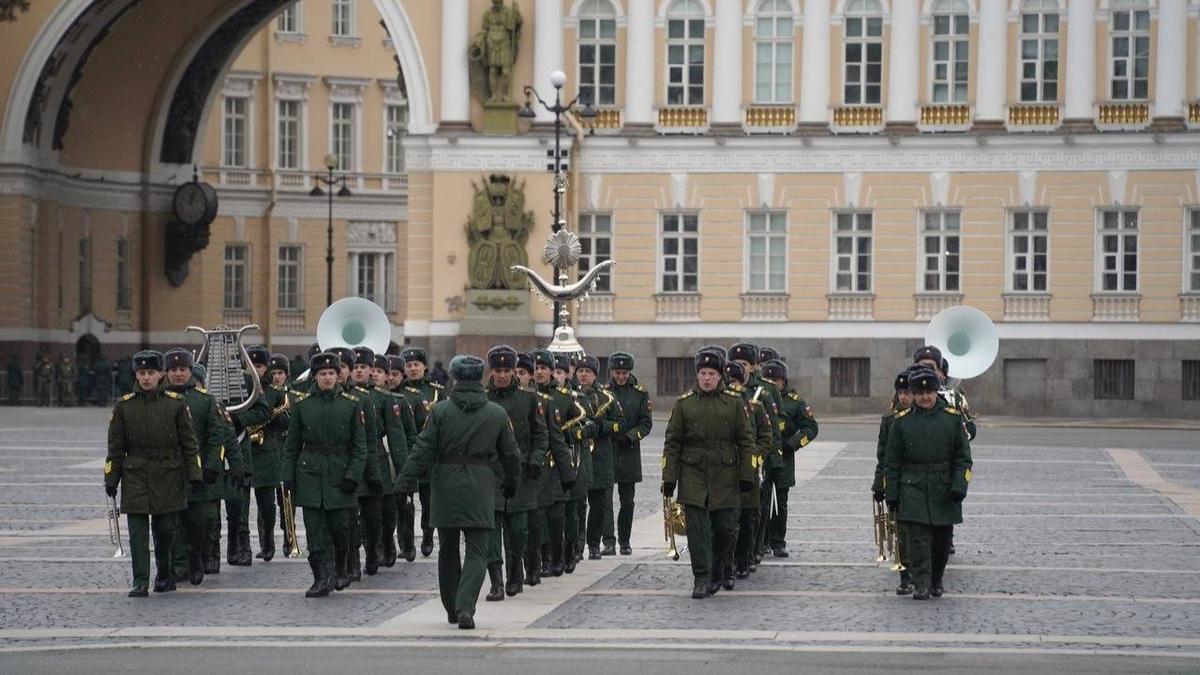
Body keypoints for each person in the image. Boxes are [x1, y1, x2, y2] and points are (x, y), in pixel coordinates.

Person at [395, 355, 521, 629]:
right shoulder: (496, 413)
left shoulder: (440, 411)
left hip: (446, 485)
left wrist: (404, 481)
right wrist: (512, 484)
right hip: (481, 486)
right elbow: (511, 455)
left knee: (448, 549)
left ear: (454, 378)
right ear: (480, 377)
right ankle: (466, 606)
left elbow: (422, 449)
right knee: (477, 550)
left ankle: (452, 607)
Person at [104, 350, 201, 596]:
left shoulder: (175, 404)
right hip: (135, 474)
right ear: (136, 375)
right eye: (141, 373)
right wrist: (111, 477)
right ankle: (140, 581)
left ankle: (165, 575)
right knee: (137, 533)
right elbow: (115, 448)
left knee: (165, 530)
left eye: (150, 373)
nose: (146, 378)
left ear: (160, 375)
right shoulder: (124, 406)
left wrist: (194, 474)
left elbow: (189, 444)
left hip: (167, 474)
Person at [662, 349, 755, 599]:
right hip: (693, 474)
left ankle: (720, 568)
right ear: (697, 375)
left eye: (711, 374)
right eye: (702, 373)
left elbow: (746, 441)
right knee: (698, 531)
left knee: (725, 529)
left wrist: (747, 475)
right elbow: (672, 443)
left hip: (725, 474)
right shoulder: (684, 404)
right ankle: (701, 578)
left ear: (720, 375)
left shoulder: (734, 403)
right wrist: (669, 477)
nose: (706, 378)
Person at [282, 351, 368, 597]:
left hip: (340, 475)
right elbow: (291, 446)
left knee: (341, 529)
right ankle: (321, 577)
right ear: (315, 377)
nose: (328, 378)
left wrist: (353, 475)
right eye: (323, 374)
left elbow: (360, 447)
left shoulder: (351, 404)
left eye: (331, 373)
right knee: (315, 531)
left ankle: (341, 568)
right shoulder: (303, 406)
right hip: (310, 475)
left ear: (338, 375)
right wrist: (287, 475)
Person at [883, 367, 972, 600]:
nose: (925, 397)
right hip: (912, 487)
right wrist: (892, 492)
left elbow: (964, 460)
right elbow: (892, 462)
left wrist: (959, 486)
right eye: (920, 393)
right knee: (918, 539)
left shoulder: (952, 419)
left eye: (929, 392)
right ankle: (921, 583)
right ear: (913, 394)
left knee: (942, 540)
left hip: (944, 487)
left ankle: (936, 579)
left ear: (936, 392)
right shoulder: (901, 422)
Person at [161, 348, 239, 585]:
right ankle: (179, 565)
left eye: (182, 369)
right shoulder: (159, 399)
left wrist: (213, 465)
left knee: (199, 521)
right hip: (169, 471)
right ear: (166, 372)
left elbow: (217, 436)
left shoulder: (205, 401)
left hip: (199, 470)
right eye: (173, 370)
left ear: (190, 371)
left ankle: (196, 557)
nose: (178, 374)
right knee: (172, 522)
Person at [484, 345, 549, 599]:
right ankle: (496, 582)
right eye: (498, 370)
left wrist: (535, 460)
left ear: (514, 371)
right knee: (491, 531)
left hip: (521, 474)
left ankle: (514, 575)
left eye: (507, 370)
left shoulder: (529, 398)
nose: (502, 375)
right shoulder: (483, 399)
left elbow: (540, 434)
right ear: (491, 371)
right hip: (490, 474)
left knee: (519, 530)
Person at [760, 358, 818, 558]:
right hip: (761, 457)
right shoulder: (757, 397)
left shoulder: (794, 402)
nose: (771, 384)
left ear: (783, 381)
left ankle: (777, 542)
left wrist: (792, 444)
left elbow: (811, 428)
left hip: (783, 459)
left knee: (779, 503)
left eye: (775, 380)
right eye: (767, 380)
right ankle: (761, 542)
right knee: (760, 501)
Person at [724, 360, 772, 586]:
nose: (733, 386)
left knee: (748, 517)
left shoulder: (755, 407)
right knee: (727, 519)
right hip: (725, 470)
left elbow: (765, 438)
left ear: (743, 383)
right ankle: (729, 561)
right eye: (729, 382)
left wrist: (755, 459)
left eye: (736, 382)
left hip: (749, 471)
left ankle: (744, 559)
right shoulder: (723, 406)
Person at [576, 356, 624, 561]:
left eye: (587, 371)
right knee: (577, 505)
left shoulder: (607, 397)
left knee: (598, 505)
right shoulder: (571, 395)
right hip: (578, 456)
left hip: (601, 457)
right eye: (580, 371)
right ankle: (577, 546)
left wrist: (602, 426)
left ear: (595, 374)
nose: (583, 375)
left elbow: (620, 424)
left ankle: (594, 545)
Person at [400, 347, 445, 558]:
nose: (412, 368)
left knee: (428, 501)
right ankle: (406, 542)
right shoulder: (399, 390)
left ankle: (428, 533)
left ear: (425, 366)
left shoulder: (436, 390)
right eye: (408, 365)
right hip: (406, 451)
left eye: (416, 364)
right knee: (404, 501)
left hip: (428, 454)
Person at [606, 352, 652, 556]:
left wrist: (631, 436)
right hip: (608, 450)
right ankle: (608, 541)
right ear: (611, 372)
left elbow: (646, 423)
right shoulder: (604, 392)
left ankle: (624, 540)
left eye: (624, 373)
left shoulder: (640, 393)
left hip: (629, 452)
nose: (621, 376)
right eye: (617, 372)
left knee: (627, 502)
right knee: (605, 501)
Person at [873, 368, 914, 594]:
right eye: (901, 393)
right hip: (897, 482)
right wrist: (879, 484)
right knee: (900, 531)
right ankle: (905, 575)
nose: (904, 397)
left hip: (918, 481)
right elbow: (883, 456)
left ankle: (921, 572)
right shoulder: (889, 420)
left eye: (908, 392)